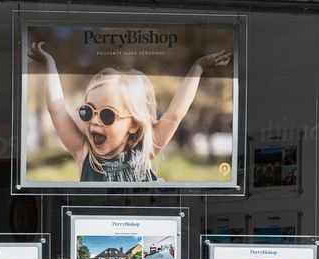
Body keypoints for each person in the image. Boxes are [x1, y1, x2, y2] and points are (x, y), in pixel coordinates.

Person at [27, 42, 231, 182]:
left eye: (107, 115)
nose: (94, 121)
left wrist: (198, 67)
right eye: (88, 112)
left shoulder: (144, 153)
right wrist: (49, 64)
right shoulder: (85, 154)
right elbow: (57, 109)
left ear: (133, 125)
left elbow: (175, 113)